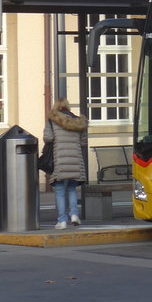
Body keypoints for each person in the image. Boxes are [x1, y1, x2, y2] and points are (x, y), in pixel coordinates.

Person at [44, 98, 88, 230]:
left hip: (60, 160)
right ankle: (74, 215)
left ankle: (62, 220)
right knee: (72, 189)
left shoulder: (52, 121)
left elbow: (48, 138)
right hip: (75, 160)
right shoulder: (78, 121)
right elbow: (83, 142)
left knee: (60, 191)